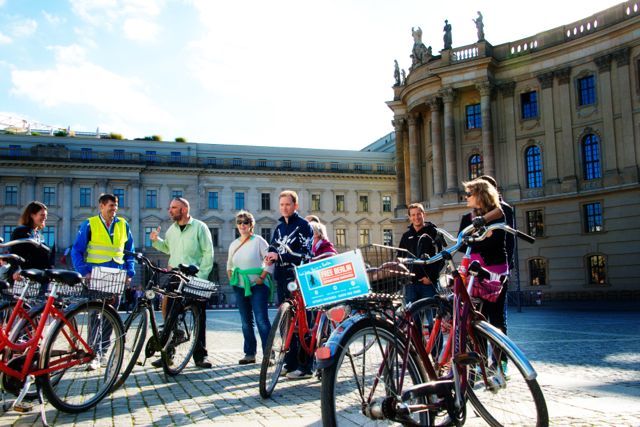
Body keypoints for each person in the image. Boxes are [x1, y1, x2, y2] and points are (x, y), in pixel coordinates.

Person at [71, 193, 135, 369]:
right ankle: (93, 354)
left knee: (110, 314)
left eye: (115, 207)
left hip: (117, 276)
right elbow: (76, 251)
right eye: (110, 207)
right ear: (101, 206)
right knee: (95, 315)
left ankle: (103, 352)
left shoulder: (123, 224)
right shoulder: (90, 224)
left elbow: (130, 251)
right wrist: (84, 271)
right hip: (96, 275)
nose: (113, 210)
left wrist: (130, 272)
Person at [150, 197, 214, 369]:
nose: (169, 210)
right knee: (170, 317)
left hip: (195, 277)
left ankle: (201, 356)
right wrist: (156, 241)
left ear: (184, 209)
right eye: (170, 207)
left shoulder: (200, 227)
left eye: (173, 207)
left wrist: (201, 275)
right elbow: (168, 249)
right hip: (175, 276)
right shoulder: (171, 230)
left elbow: (208, 253)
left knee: (199, 317)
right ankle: (167, 354)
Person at [265, 190, 313, 380]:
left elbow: (306, 254)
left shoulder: (304, 226)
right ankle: (290, 362)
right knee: (286, 322)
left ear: (296, 205)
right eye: (282, 204)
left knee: (302, 322)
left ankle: (305, 367)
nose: (285, 207)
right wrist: (269, 256)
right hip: (282, 277)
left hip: (298, 278)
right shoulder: (278, 228)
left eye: (288, 204)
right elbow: (273, 246)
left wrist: (281, 256)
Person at [458, 178, 509, 336]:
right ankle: (482, 360)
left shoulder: (498, 215)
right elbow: (462, 244)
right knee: (476, 319)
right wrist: (484, 236)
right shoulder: (467, 218)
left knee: (496, 318)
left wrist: (477, 240)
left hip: (493, 272)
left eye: (469, 194)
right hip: (473, 273)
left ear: (480, 195)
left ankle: (500, 360)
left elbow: (497, 242)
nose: (465, 197)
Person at [227, 210, 273, 365]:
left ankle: (269, 354)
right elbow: (229, 264)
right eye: (239, 222)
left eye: (245, 222)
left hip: (257, 285)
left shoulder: (258, 241)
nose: (242, 225)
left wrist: (262, 277)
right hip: (240, 286)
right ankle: (249, 354)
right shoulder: (234, 244)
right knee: (246, 321)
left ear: (251, 225)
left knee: (261, 319)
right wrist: (231, 278)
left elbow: (269, 260)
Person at [399, 203, 444, 305]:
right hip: (410, 284)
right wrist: (405, 277)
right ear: (410, 217)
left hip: (429, 284)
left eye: (419, 214)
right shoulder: (406, 236)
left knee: (432, 317)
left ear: (424, 214)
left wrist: (431, 278)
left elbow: (442, 257)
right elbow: (400, 257)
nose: (416, 217)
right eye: (413, 215)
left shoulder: (434, 233)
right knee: (411, 318)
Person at [9, 201, 53, 283]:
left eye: (46, 215)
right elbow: (14, 253)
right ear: (32, 215)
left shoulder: (38, 234)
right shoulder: (21, 231)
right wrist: (17, 270)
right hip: (25, 278)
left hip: (39, 277)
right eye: (42, 215)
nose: (45, 218)